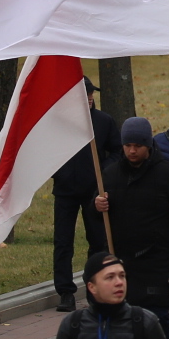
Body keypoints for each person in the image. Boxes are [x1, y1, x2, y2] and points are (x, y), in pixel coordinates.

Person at [96, 116, 169, 333]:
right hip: (121, 259)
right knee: (121, 319)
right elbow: (97, 216)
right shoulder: (110, 175)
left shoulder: (167, 173)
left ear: (148, 145)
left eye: (137, 146)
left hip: (155, 261)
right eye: (127, 145)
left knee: (156, 318)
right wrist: (96, 204)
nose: (132, 151)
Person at [51, 89, 119, 311]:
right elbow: (47, 154)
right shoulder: (59, 123)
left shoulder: (103, 121)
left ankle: (96, 288)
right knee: (63, 242)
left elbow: (116, 151)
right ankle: (65, 292)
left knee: (98, 240)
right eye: (84, 94)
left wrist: (103, 172)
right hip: (65, 190)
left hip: (93, 191)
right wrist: (59, 173)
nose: (89, 98)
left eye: (90, 94)